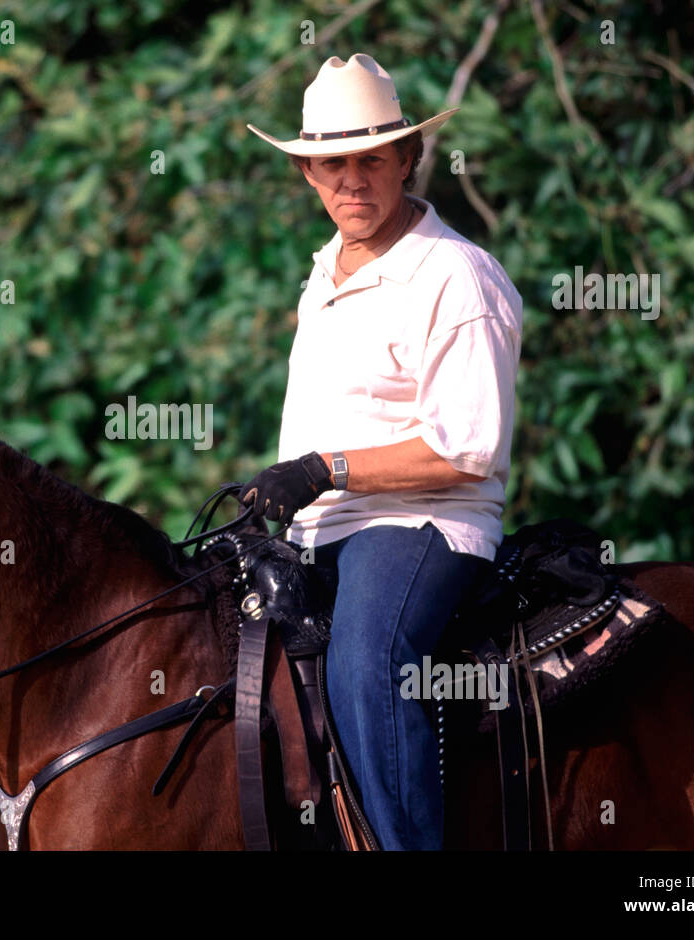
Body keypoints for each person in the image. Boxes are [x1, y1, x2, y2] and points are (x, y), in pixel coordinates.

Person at [239, 53, 523, 850]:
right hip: (318, 529)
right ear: (307, 174)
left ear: (408, 159)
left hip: (418, 526)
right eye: (333, 164)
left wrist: (322, 470)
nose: (352, 181)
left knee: (366, 668)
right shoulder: (325, 271)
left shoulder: (457, 276)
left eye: (372, 160)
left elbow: (466, 450)